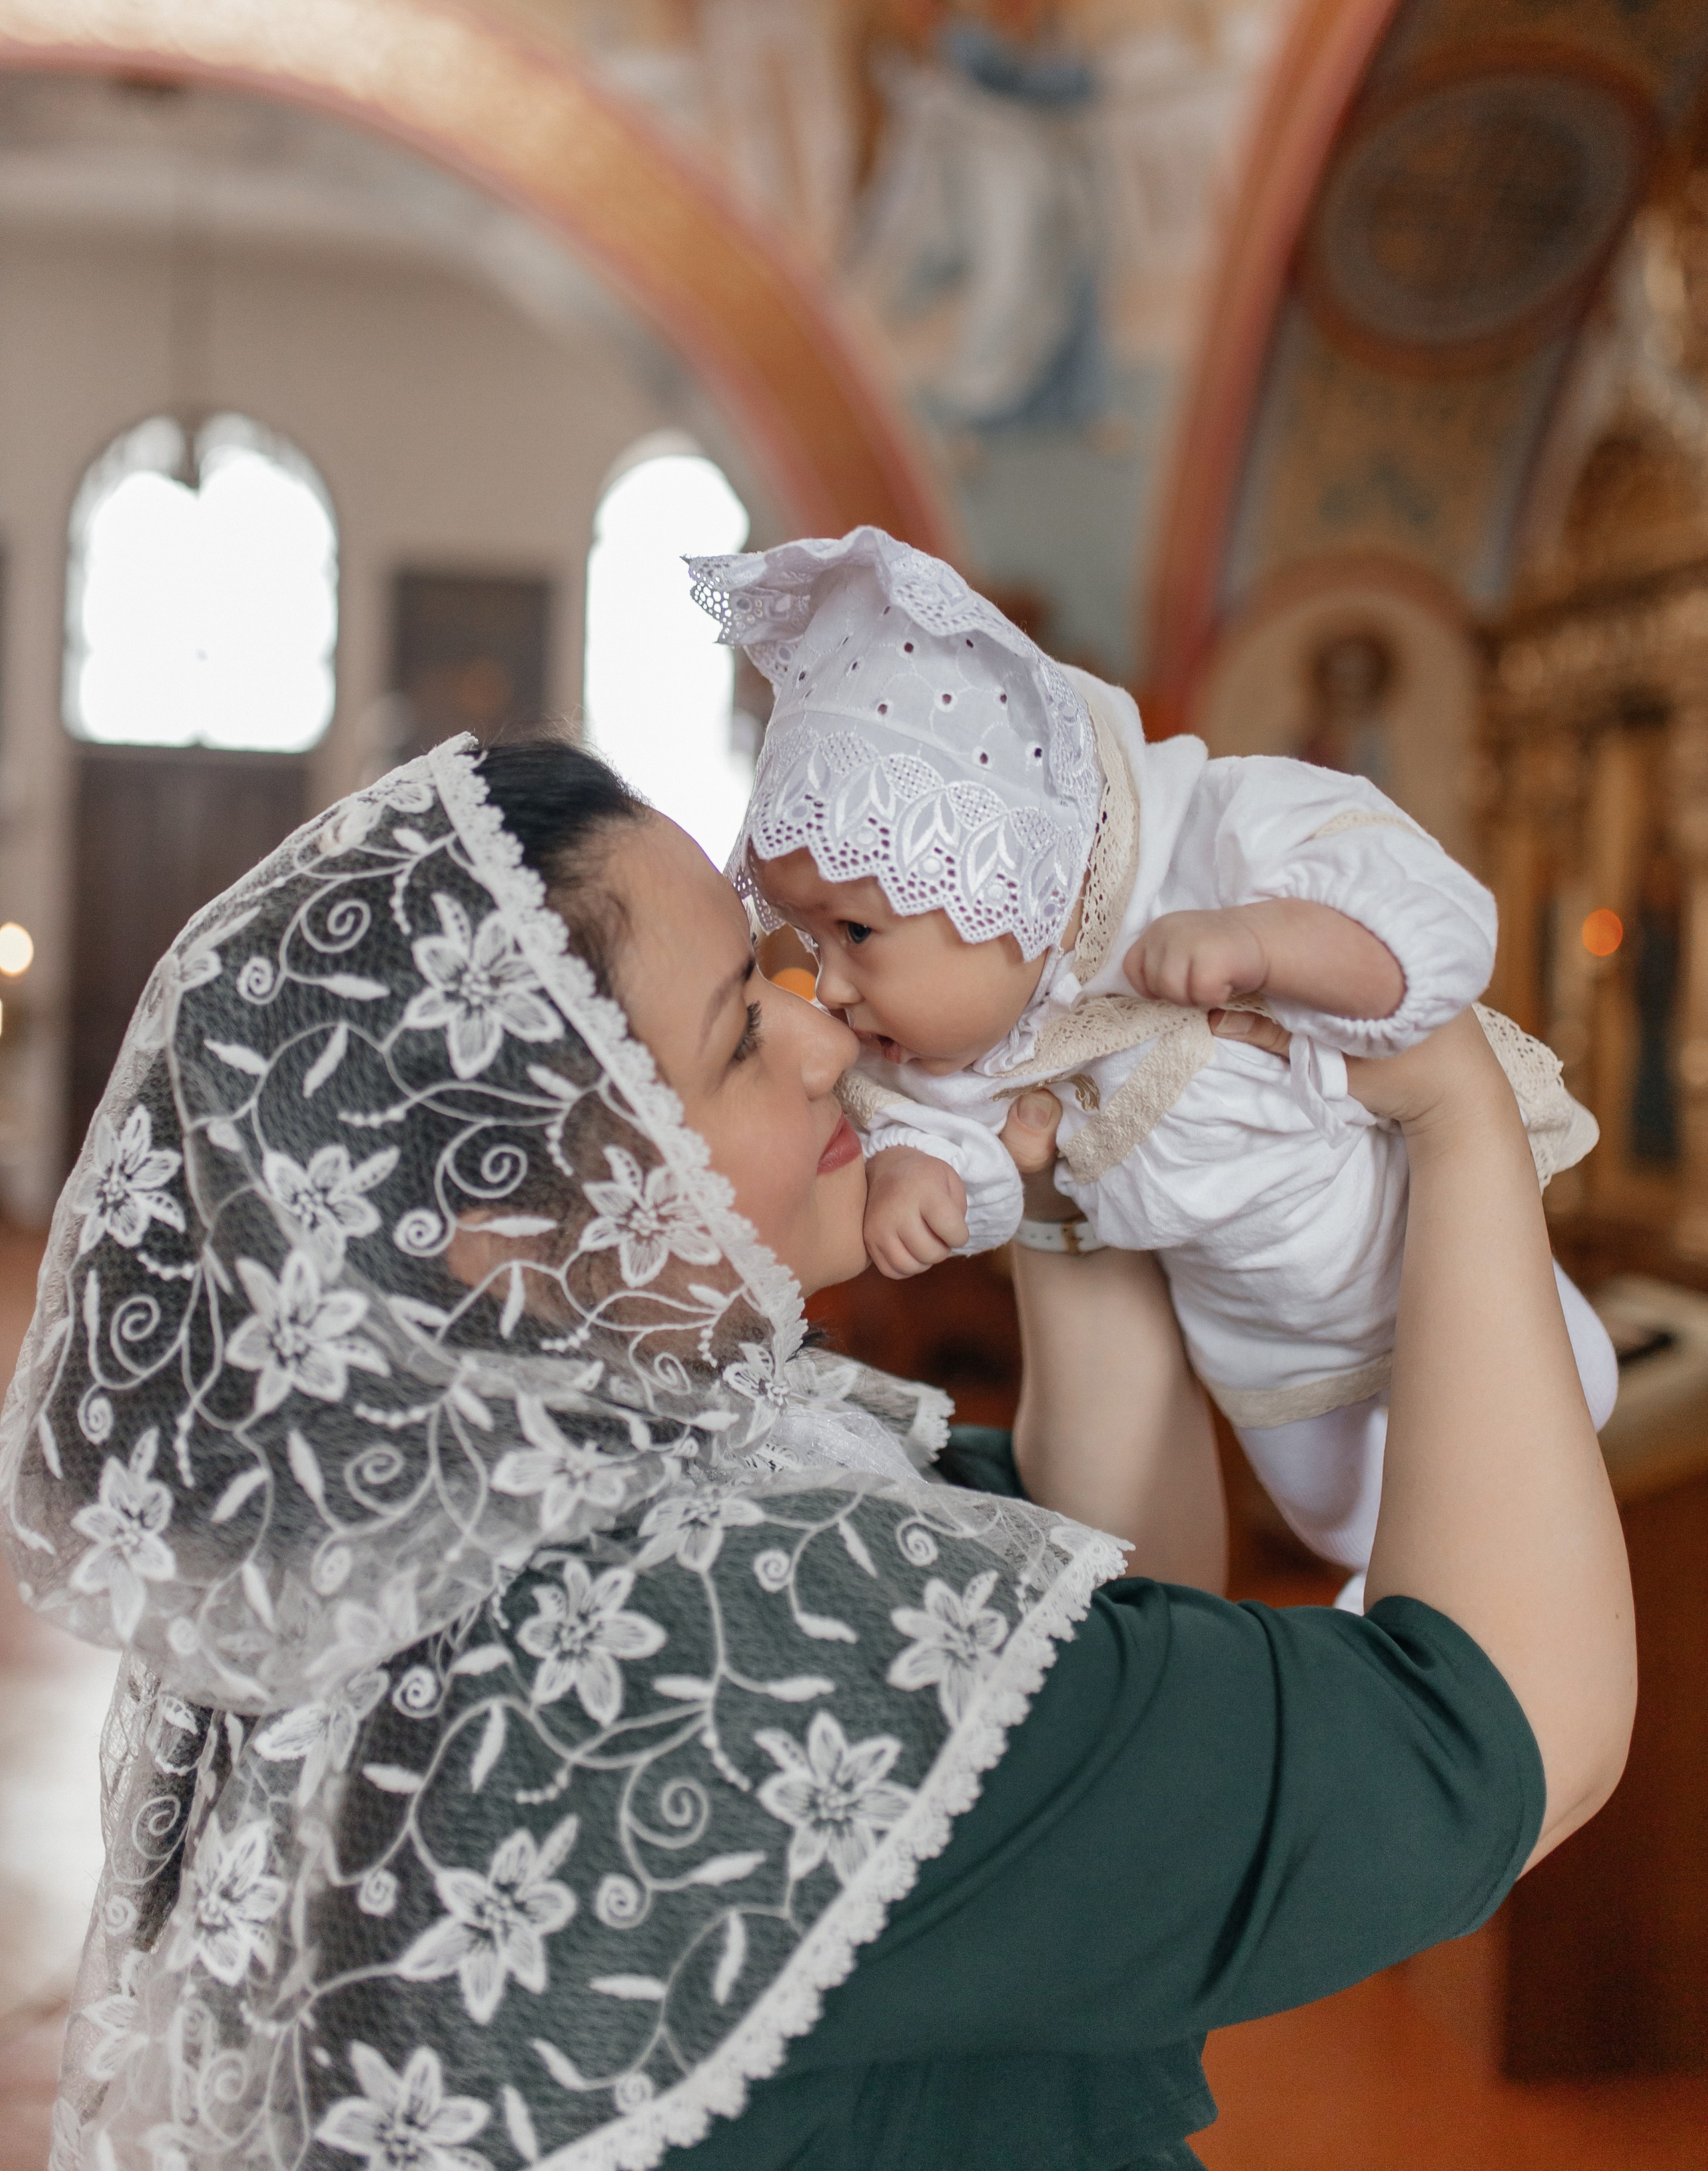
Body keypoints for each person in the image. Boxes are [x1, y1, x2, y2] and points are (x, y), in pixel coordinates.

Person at [0, 735, 1632, 2171]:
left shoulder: (483, 1513)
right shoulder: (718, 1638)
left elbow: (1112, 1614)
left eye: (792, 974)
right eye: (736, 1039)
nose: (826, 1038)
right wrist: (1450, 1109)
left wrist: (1073, 1148)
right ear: (504, 1224)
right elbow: (1495, 1739)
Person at [691, 528, 1618, 1598]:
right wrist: (920, 1178)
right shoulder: (943, 1041)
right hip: (1275, 1363)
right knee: (1358, 1535)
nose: (831, 988)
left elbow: (1440, 924)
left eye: (853, 934)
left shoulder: (1209, 835)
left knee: (1544, 1443)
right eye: (808, 943)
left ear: (993, 875)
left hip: (1418, 1236)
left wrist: (1272, 942)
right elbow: (955, 1144)